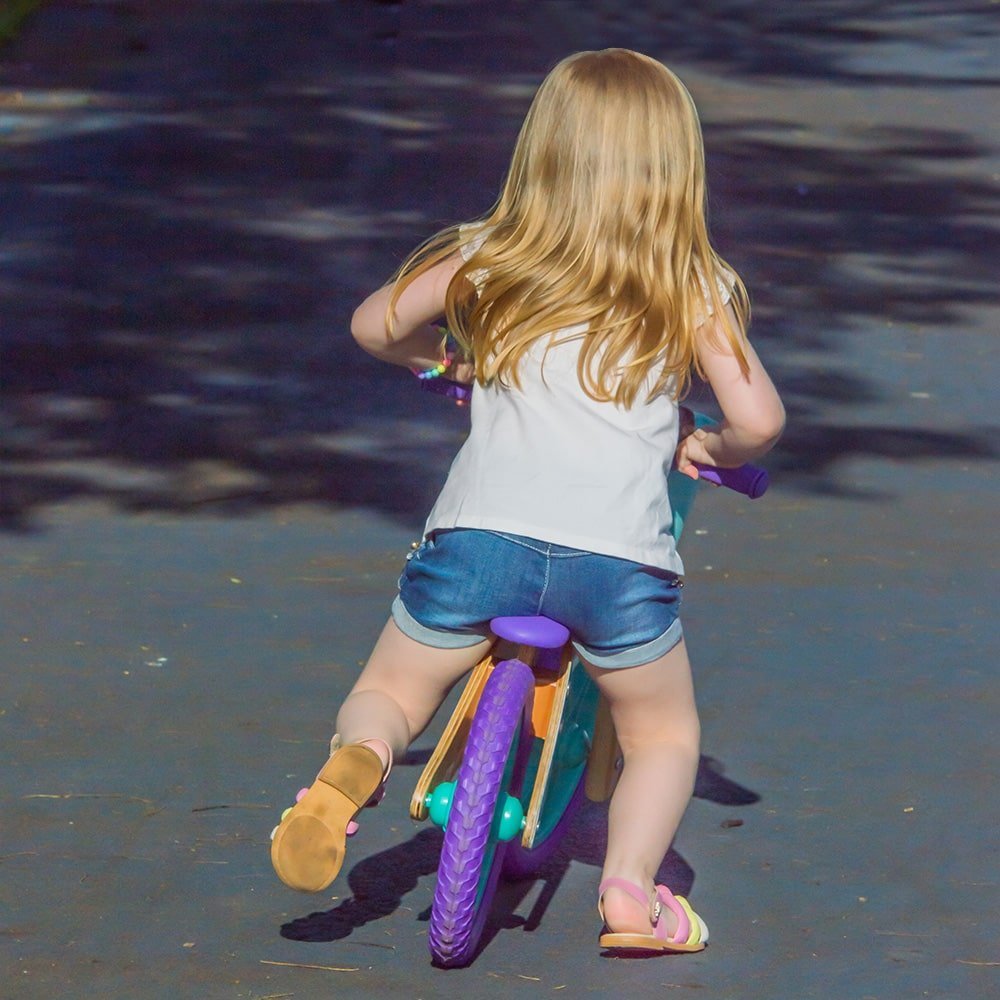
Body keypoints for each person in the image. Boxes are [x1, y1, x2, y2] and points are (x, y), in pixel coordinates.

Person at [270, 48, 785, 954]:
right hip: (616, 567)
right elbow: (760, 419)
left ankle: (353, 768)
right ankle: (630, 893)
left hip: (477, 544)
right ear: (676, 170)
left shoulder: (491, 256)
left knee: (392, 687)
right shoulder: (690, 283)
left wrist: (450, 364)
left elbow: (372, 324)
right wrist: (706, 445)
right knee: (663, 733)